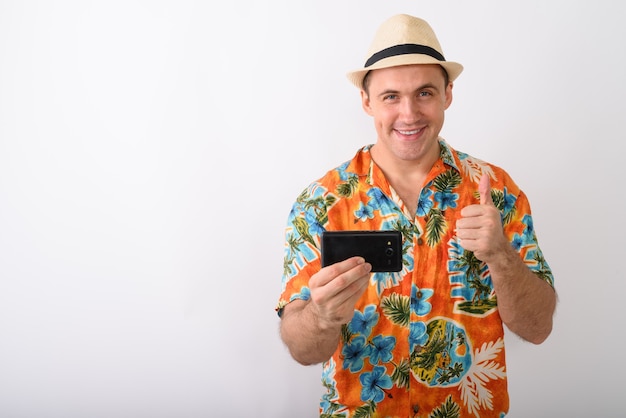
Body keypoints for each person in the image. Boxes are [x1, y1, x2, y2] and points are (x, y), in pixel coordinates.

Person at [275, 13, 556, 418]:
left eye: (424, 93)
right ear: (367, 101)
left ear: (448, 95)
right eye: (391, 96)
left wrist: (500, 256)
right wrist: (320, 316)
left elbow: (538, 327)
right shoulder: (321, 202)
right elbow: (304, 351)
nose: (409, 114)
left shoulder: (498, 191)